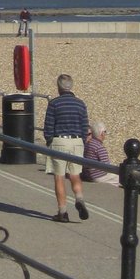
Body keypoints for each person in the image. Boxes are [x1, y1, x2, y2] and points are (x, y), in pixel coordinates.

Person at [44, 73, 90, 222]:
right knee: (75, 174)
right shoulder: (80, 104)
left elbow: (49, 126)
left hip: (60, 141)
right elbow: (84, 127)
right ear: (72, 86)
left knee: (59, 177)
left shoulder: (54, 104)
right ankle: (79, 197)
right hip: (76, 141)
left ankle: (62, 212)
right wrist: (81, 140)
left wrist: (49, 140)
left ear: (59, 87)